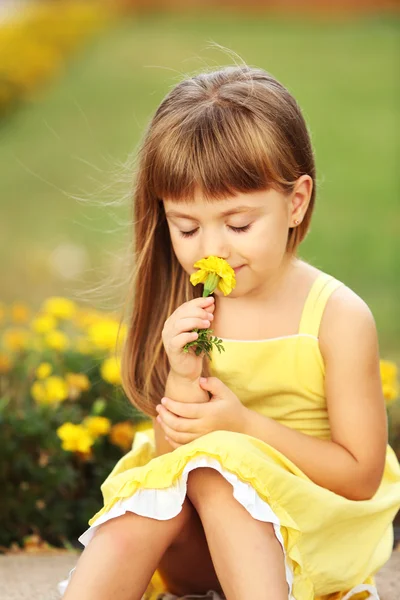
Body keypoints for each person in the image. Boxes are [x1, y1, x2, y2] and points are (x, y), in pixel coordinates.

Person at [58, 65, 400, 600]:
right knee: (159, 492)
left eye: (238, 225)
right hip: (201, 550)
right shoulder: (193, 305)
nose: (210, 249)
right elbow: (173, 459)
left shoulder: (336, 317)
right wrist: (182, 374)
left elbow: (360, 476)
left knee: (218, 471)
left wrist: (242, 425)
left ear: (296, 201)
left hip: (305, 543)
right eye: (187, 227)